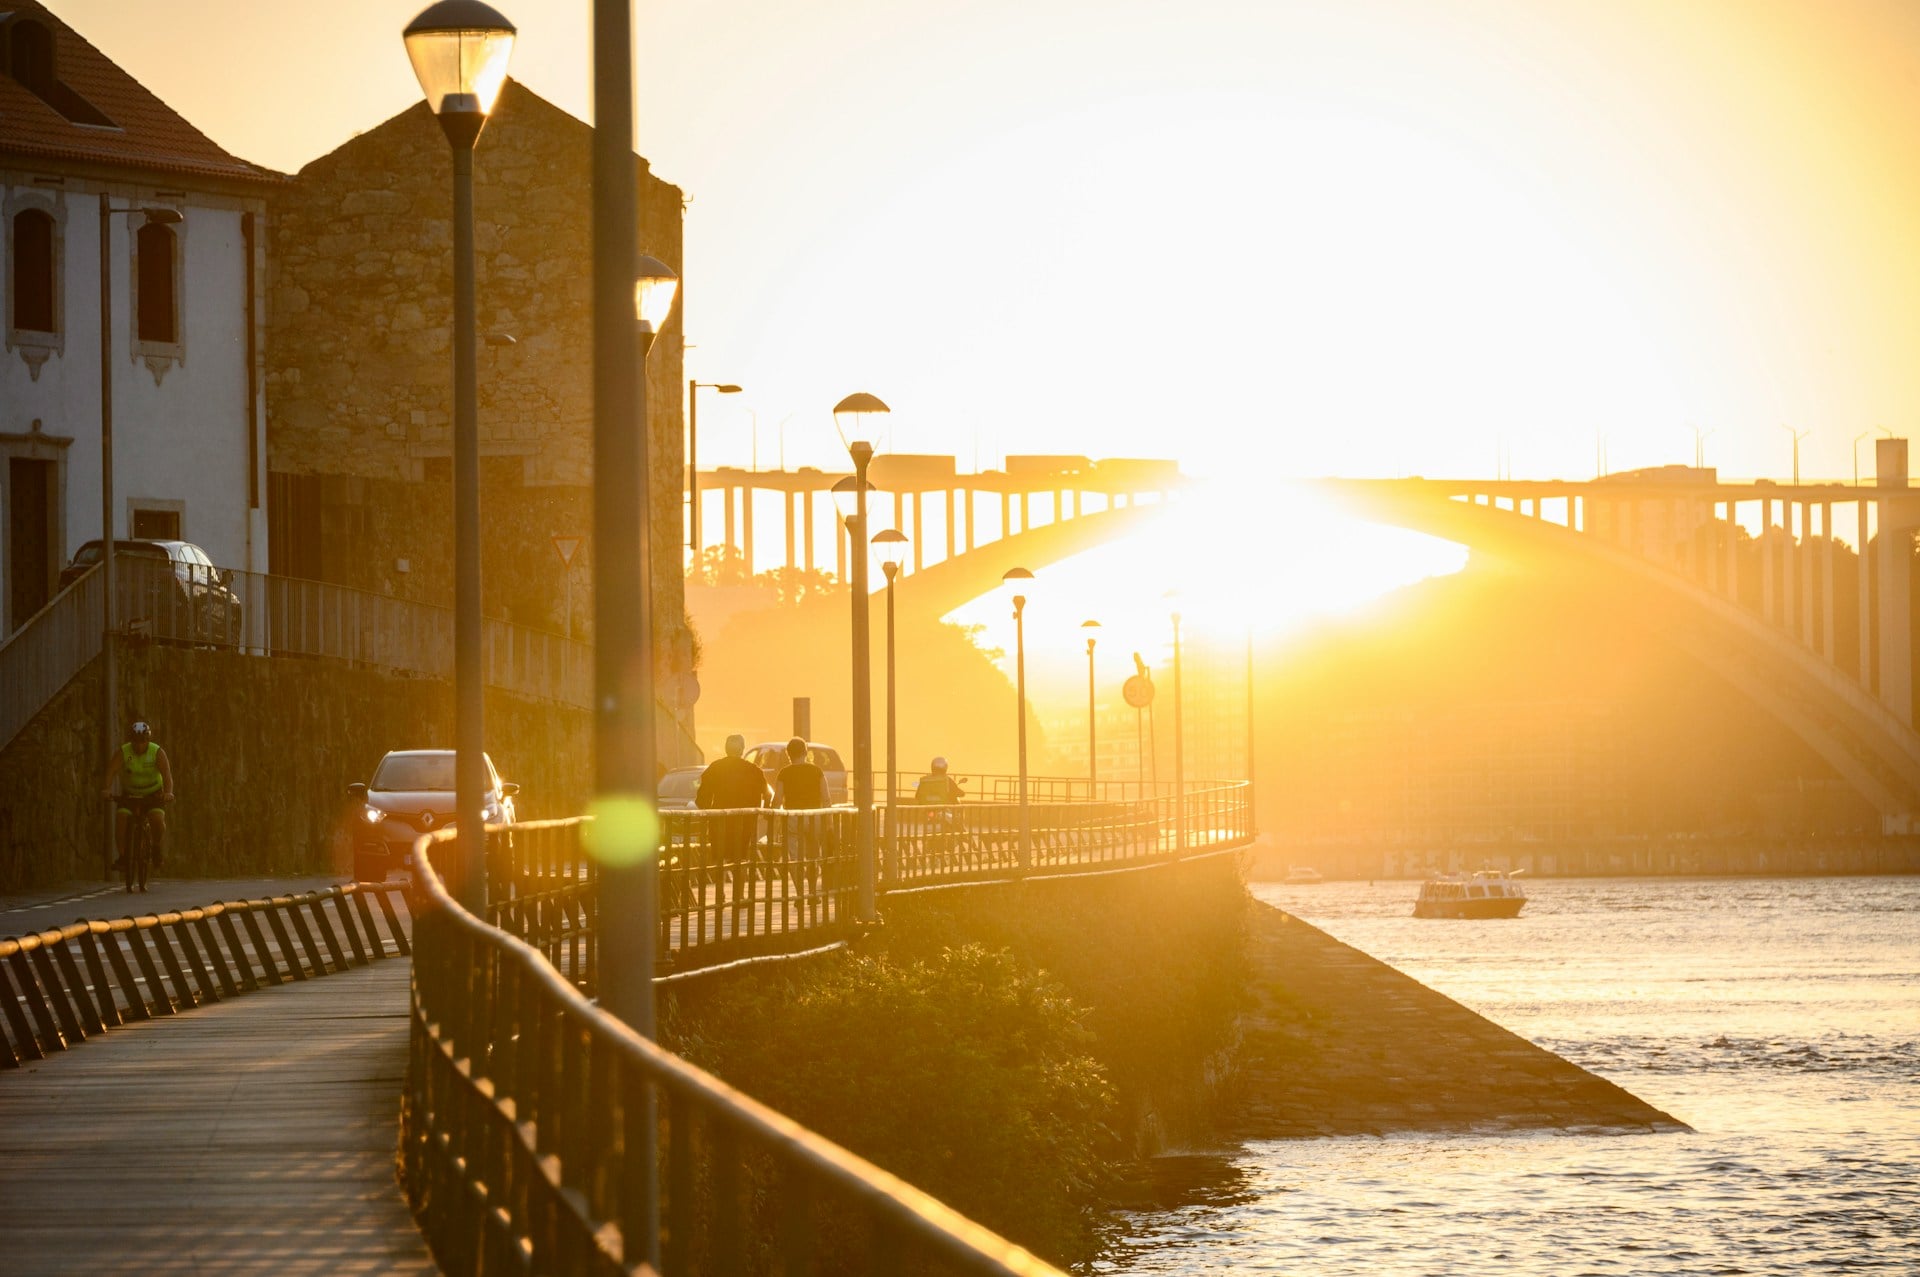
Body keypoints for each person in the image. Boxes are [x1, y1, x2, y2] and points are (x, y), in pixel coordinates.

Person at [696, 734, 770, 911]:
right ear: (742, 749)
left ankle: (720, 895)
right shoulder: (754, 770)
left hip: (719, 820)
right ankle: (739, 895)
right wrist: (763, 811)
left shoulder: (715, 768)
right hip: (745, 822)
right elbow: (767, 795)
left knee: (720, 857)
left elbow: (702, 799)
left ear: (726, 749)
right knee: (741, 857)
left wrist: (707, 811)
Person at [101, 719, 173, 884]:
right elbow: (110, 772)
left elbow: (167, 775)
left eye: (143, 741)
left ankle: (155, 847)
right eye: (136, 742)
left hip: (153, 794)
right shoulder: (123, 752)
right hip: (130, 794)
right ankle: (123, 857)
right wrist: (106, 789)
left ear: (148, 740)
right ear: (131, 740)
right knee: (121, 820)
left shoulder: (157, 752)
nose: (139, 745)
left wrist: (168, 793)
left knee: (157, 820)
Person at [773, 737, 826, 810]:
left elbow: (777, 800)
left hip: (791, 819)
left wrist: (772, 818)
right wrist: (828, 820)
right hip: (815, 819)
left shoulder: (783, 773)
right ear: (805, 753)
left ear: (788, 754)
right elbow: (826, 799)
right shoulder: (817, 771)